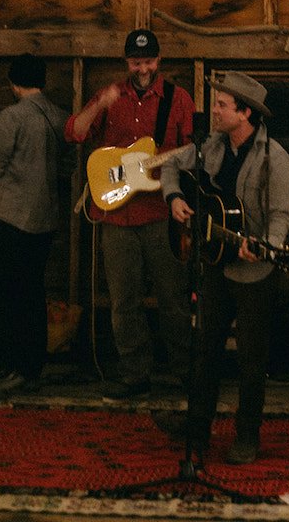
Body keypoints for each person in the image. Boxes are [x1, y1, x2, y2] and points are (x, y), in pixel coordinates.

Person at [161, 71, 289, 465]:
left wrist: (267, 247)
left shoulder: (275, 159)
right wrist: (173, 198)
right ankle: (197, 428)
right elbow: (170, 165)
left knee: (252, 360)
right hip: (216, 264)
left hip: (255, 273)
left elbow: (281, 215)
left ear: (245, 113)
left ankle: (247, 436)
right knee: (205, 351)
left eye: (222, 105)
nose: (214, 110)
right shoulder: (210, 146)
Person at [67, 28, 194, 401]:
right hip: (116, 215)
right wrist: (98, 106)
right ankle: (134, 374)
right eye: (136, 63)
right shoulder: (110, 95)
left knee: (173, 297)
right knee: (124, 301)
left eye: (149, 62)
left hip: (160, 214)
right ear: (127, 62)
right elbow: (75, 133)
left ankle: (185, 373)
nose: (143, 69)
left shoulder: (178, 99)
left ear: (159, 60)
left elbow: (190, 152)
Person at [0, 52, 67, 393]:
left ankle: (9, 365)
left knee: (5, 295)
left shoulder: (12, 116)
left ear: (13, 83)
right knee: (33, 293)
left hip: (11, 218)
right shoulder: (59, 116)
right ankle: (31, 366)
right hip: (46, 219)